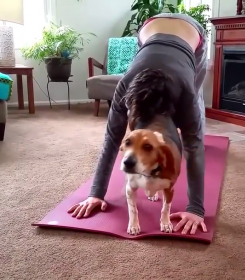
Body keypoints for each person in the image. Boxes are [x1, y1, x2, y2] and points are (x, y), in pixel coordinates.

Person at [67, 13, 208, 235]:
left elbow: (193, 145)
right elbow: (112, 138)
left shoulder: (185, 93)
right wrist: (96, 192)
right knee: (140, 127)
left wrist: (196, 209)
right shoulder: (125, 88)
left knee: (195, 125)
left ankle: (196, 124)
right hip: (150, 28)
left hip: (193, 36)